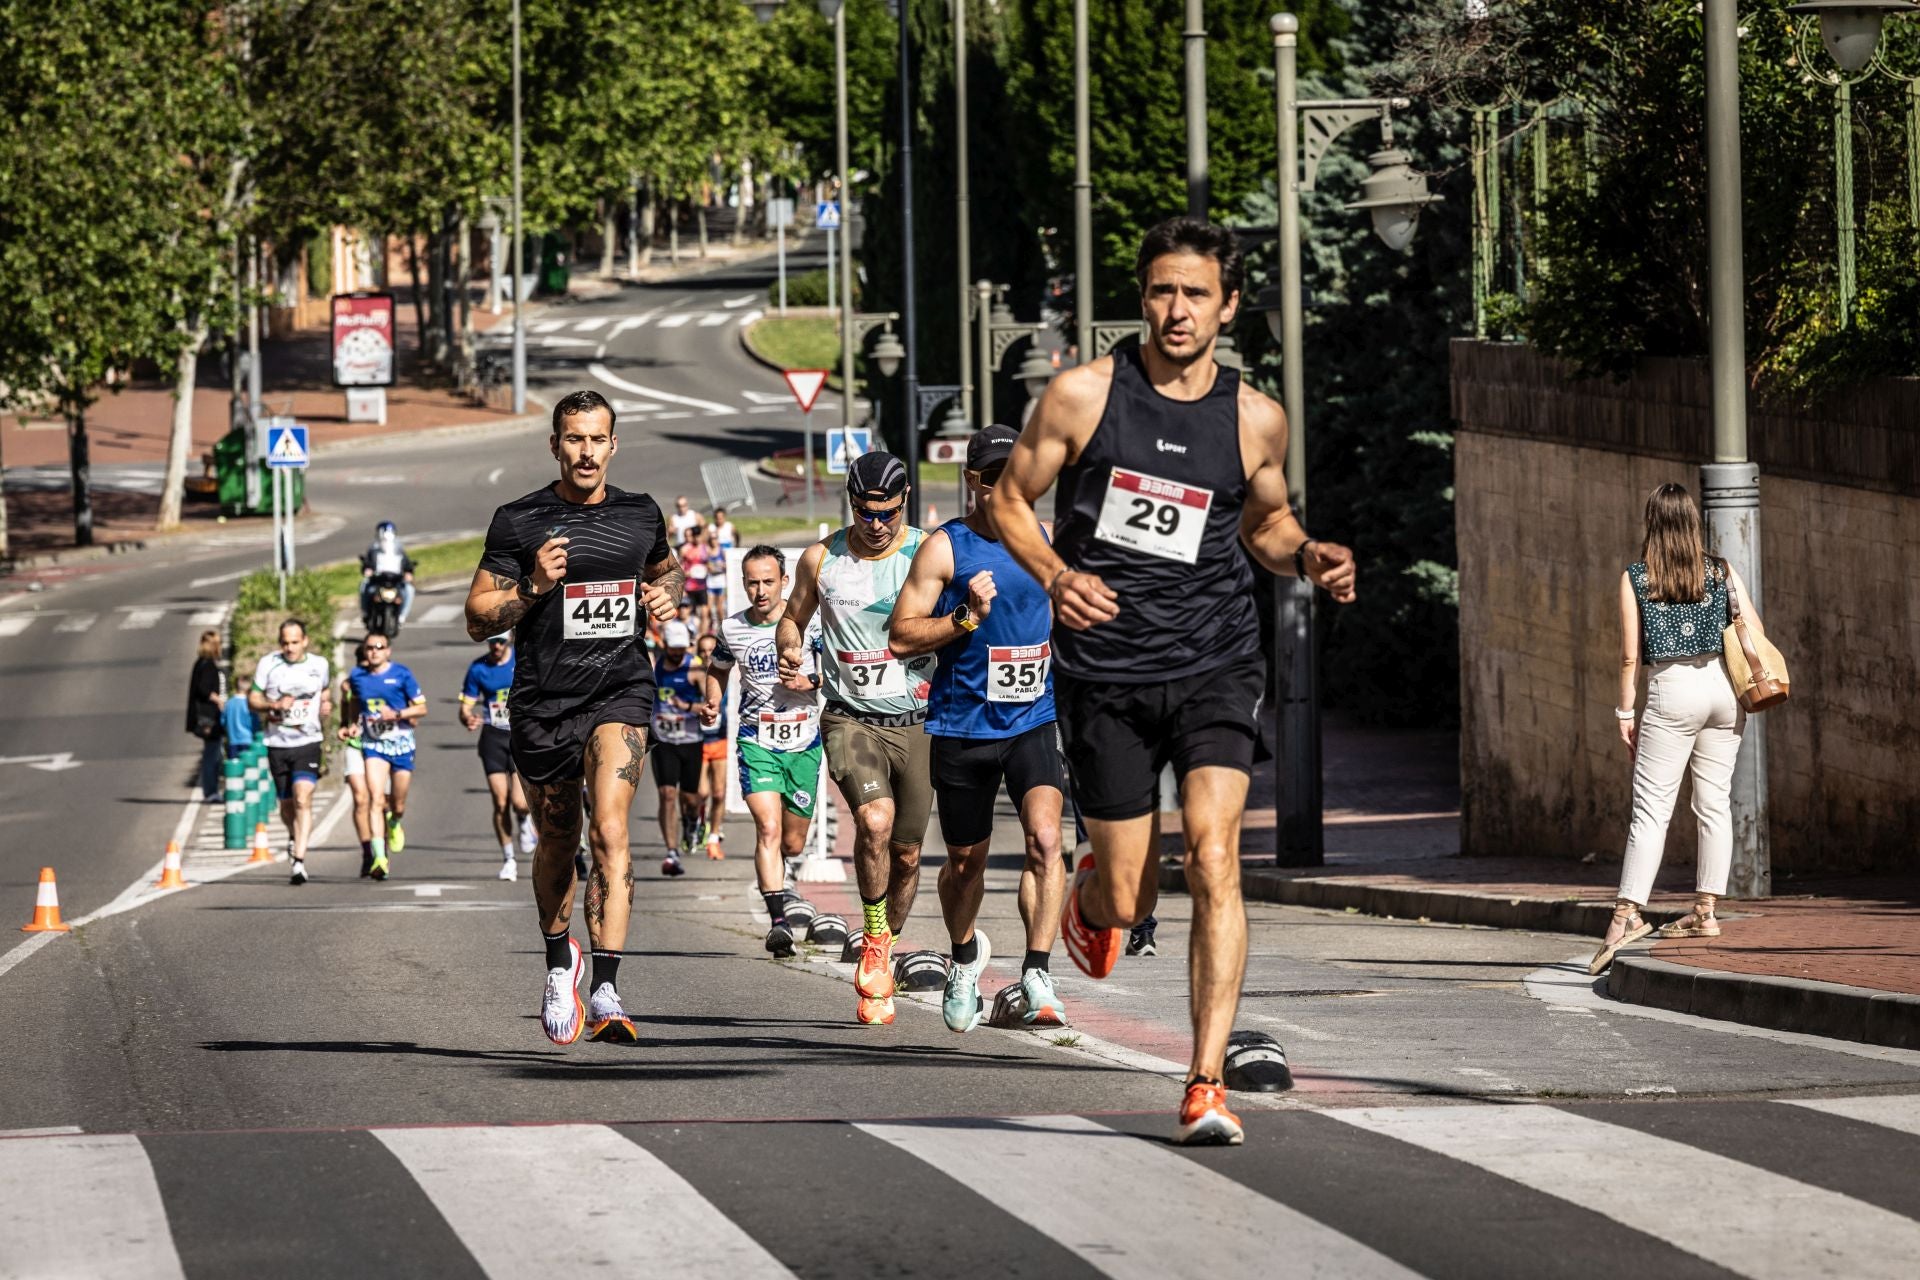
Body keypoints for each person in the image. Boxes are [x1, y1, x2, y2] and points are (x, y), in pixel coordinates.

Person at [991, 217, 1358, 1145]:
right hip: (1108, 670)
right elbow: (1007, 499)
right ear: (1142, 298)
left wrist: (1309, 554)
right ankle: (1091, 899)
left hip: (1217, 660)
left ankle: (1203, 1082)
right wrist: (1058, 576)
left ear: (1228, 306)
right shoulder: (1082, 396)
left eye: (1197, 293)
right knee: (1127, 893)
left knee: (1216, 854)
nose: (1178, 309)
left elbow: (1267, 526)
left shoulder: (1254, 416)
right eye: (1162, 291)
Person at [464, 389, 681, 1046]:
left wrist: (662, 600)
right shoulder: (519, 520)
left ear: (614, 445)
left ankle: (608, 985)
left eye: (597, 439)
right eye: (573, 439)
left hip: (620, 691)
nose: (586, 452)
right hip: (543, 704)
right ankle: (561, 959)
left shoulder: (641, 515)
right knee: (559, 840)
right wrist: (532, 585)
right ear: (555, 444)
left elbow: (666, 574)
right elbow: (477, 618)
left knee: (612, 830)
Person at [889, 425, 1069, 1033]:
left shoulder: (1047, 540)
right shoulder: (946, 548)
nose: (1007, 488)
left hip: (1032, 720)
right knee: (966, 864)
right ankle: (964, 954)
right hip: (963, 729)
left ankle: (1038, 970)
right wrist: (964, 617)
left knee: (1047, 840)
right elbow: (900, 635)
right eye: (994, 478)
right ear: (973, 482)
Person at [778, 452, 937, 1025]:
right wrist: (789, 642)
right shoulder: (822, 558)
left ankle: (886, 945)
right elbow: (792, 616)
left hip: (918, 720)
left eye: (888, 513)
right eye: (866, 513)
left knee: (909, 852)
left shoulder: (927, 552)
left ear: (906, 501)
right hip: (849, 716)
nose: (876, 525)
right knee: (874, 821)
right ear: (851, 503)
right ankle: (873, 935)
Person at [1589, 483, 1761, 976]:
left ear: (1651, 522)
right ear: (1693, 522)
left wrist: (1626, 714)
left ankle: (1625, 917)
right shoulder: (1721, 570)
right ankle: (1705, 911)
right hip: (1724, 691)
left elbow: (1629, 655)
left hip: (1671, 690)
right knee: (1713, 802)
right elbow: (1755, 628)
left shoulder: (1637, 577)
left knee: (1651, 810)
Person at [701, 545, 825, 956]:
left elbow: (838, 669)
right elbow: (717, 669)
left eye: (768, 581)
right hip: (757, 741)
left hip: (804, 742)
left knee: (791, 842)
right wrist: (712, 701)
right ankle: (778, 923)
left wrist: (813, 683)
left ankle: (783, 877)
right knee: (768, 829)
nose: (760, 590)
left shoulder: (813, 622)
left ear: (784, 582)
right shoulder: (732, 628)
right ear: (743, 584)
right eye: (752, 582)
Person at [248, 620, 332, 886]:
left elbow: (325, 691)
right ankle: (294, 836)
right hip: (278, 743)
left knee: (302, 798)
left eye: (295, 642)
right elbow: (253, 697)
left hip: (308, 741)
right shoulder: (269, 664)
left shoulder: (319, 664)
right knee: (286, 804)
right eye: (285, 642)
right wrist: (272, 704)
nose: (289, 647)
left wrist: (326, 705)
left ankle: (299, 860)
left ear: (305, 641)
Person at [341, 632, 427, 880]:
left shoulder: (401, 674)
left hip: (401, 744)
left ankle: (395, 822)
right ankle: (379, 857)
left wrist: (397, 714)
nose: (374, 651)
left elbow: (422, 708)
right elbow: (355, 702)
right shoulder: (357, 676)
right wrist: (352, 723)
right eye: (369, 648)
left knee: (397, 804)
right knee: (375, 799)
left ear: (388, 651)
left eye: (379, 647)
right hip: (374, 744)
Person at [461, 632, 537, 881]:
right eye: (491, 642)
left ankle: (525, 821)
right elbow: (466, 706)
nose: (495, 646)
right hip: (493, 737)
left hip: (520, 736)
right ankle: (508, 859)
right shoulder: (478, 668)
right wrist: (468, 718)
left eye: (500, 642)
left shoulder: (522, 659)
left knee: (520, 802)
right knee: (499, 802)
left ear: (508, 642)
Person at [651, 620, 706, 877]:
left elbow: (709, 708)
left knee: (690, 799)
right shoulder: (655, 668)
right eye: (673, 648)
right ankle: (671, 851)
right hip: (664, 741)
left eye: (681, 648)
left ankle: (692, 820)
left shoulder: (695, 671)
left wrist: (685, 707)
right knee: (667, 794)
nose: (677, 653)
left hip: (691, 740)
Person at [335, 640, 376, 876]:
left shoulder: (386, 678)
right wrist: (344, 724)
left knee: (382, 800)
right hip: (356, 745)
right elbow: (345, 706)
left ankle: (382, 836)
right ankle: (368, 850)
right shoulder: (350, 683)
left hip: (381, 745)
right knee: (361, 799)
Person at [693, 631, 729, 859]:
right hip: (697, 741)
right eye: (703, 652)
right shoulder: (693, 675)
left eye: (710, 650)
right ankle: (698, 820)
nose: (707, 655)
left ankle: (714, 836)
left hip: (720, 739)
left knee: (718, 792)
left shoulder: (724, 674)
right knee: (701, 792)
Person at [186, 630, 226, 800]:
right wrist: (219, 701)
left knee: (214, 752)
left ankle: (212, 789)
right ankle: (210, 791)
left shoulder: (200, 663)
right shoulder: (208, 665)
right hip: (209, 717)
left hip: (205, 716)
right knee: (212, 754)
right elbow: (203, 689)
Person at [360, 521, 418, 625]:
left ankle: (402, 615)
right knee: (364, 585)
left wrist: (408, 572)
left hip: (396, 581)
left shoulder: (398, 549)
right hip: (378, 580)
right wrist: (367, 570)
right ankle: (365, 612)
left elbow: (406, 563)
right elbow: (368, 563)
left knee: (409, 590)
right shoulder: (374, 549)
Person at [681, 534, 712, 634]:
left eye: (699, 535)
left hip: (702, 586)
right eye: (695, 536)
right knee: (691, 614)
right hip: (690, 586)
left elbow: (709, 565)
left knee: (704, 613)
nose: (697, 538)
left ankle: (703, 635)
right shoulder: (686, 549)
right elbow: (679, 566)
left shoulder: (705, 549)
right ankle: (691, 635)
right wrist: (685, 574)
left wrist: (708, 569)